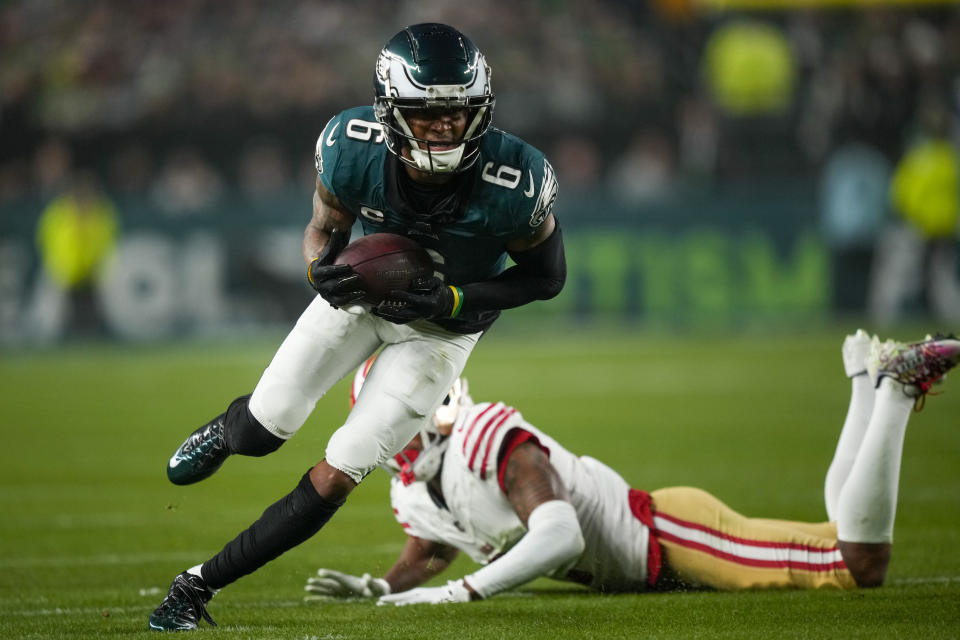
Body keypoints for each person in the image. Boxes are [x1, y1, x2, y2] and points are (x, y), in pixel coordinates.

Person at [148, 23, 564, 631]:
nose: (445, 126)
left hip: (440, 332)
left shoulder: (514, 178)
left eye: (459, 112)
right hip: (364, 301)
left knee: (342, 467)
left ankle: (194, 588)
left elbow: (545, 276)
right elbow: (324, 228)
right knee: (269, 425)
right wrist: (320, 270)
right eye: (427, 112)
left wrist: (449, 298)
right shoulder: (352, 147)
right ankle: (226, 430)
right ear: (391, 111)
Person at [304, 331, 960, 604]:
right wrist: (386, 590)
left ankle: (897, 392)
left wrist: (461, 595)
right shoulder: (419, 484)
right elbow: (432, 547)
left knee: (855, 567)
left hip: (668, 535)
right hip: (654, 545)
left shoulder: (486, 433)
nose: (382, 436)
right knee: (831, 534)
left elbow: (560, 535)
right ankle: (866, 384)